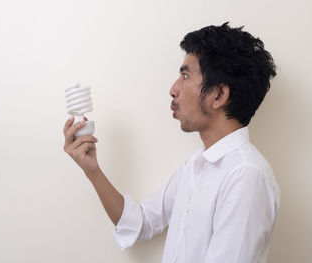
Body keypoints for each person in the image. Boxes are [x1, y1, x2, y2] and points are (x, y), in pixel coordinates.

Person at [63, 22, 280, 263]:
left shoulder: (246, 176)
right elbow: (142, 223)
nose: (173, 89)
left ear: (218, 95)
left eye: (185, 75)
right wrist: (92, 170)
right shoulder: (197, 164)